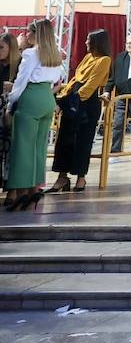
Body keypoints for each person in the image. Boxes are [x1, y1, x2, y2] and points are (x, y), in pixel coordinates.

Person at [4, 21, 63, 211]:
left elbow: (21, 81)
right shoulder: (54, 55)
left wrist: (11, 103)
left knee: (22, 147)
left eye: (29, 31)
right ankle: (35, 189)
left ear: (35, 34)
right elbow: (56, 79)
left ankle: (21, 193)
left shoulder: (30, 54)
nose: (25, 33)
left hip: (31, 97)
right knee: (38, 147)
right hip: (46, 97)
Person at [50, 29, 112, 194]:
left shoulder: (104, 60)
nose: (85, 43)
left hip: (86, 103)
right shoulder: (87, 57)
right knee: (64, 140)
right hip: (74, 98)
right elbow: (75, 78)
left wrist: (74, 100)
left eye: (88, 40)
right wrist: (64, 97)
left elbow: (91, 84)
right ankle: (62, 176)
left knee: (82, 142)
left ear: (97, 43)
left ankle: (80, 177)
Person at [0, 31, 21, 202]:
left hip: (11, 110)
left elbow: (19, 90)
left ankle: (12, 189)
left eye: (2, 47)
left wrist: (10, 111)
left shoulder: (19, 65)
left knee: (11, 150)